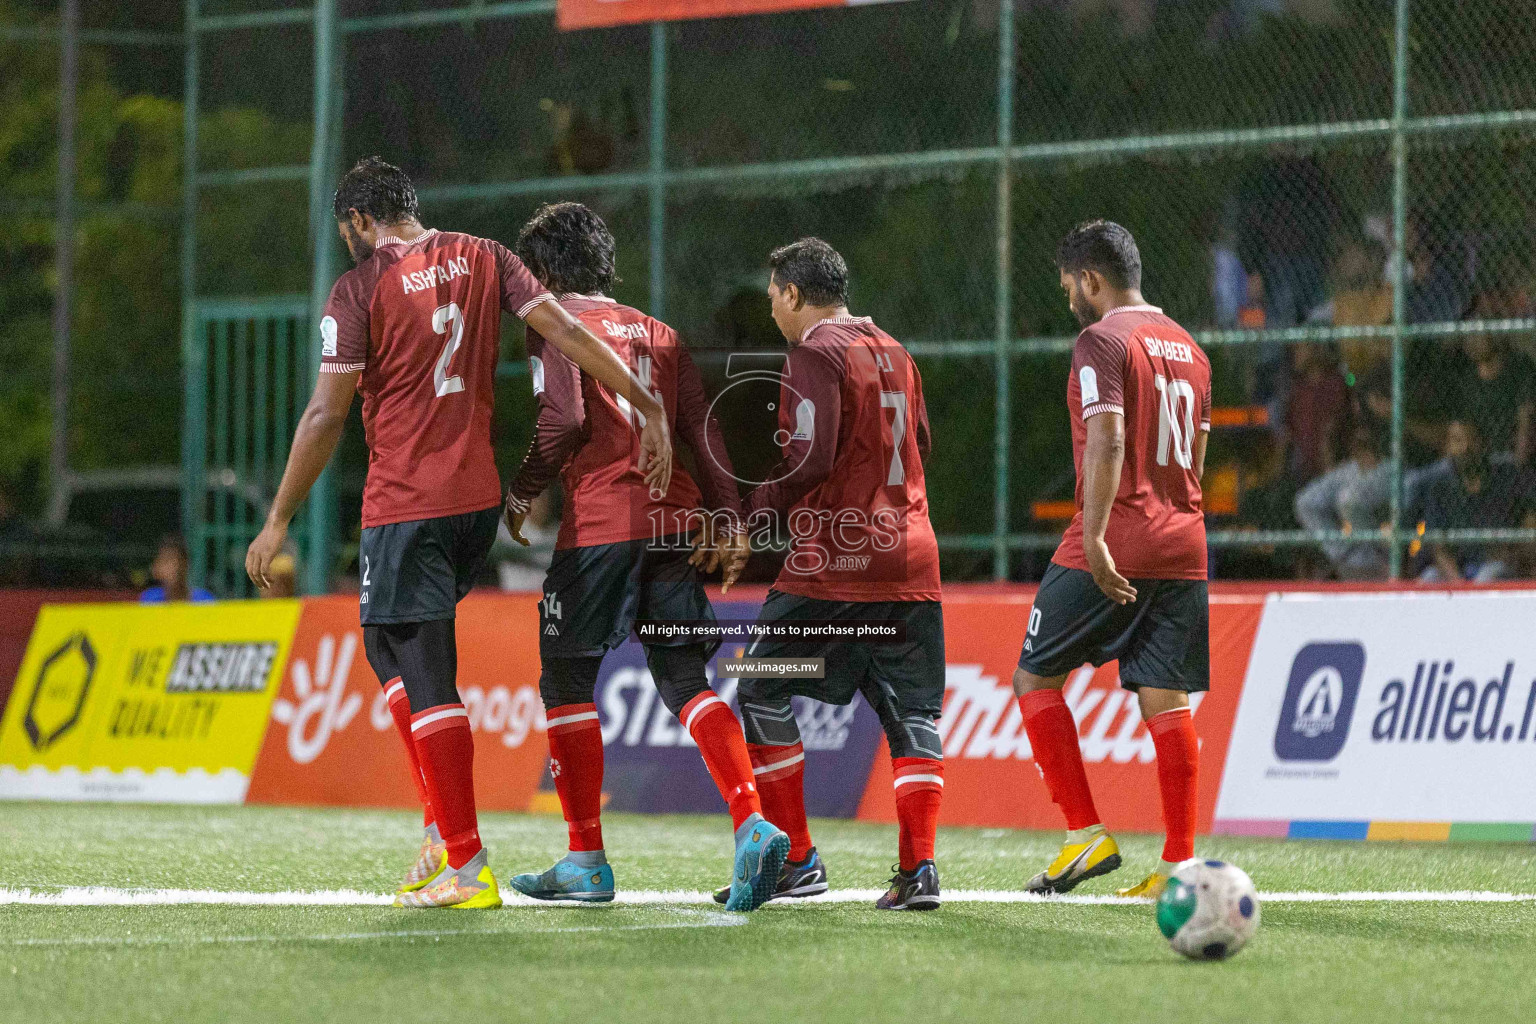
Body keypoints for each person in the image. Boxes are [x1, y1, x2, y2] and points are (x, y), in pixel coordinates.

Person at [244, 157, 673, 910]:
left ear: (358, 221)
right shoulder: (485, 255)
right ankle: (442, 832)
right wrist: (646, 399)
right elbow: (566, 328)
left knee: (421, 667)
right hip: (476, 502)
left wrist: (276, 517)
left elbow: (325, 414)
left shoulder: (359, 287)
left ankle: (463, 859)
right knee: (389, 651)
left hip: (410, 499)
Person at [498, 202, 788, 912]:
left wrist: (523, 489)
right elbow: (702, 430)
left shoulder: (554, 326)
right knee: (686, 679)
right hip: (674, 524)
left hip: (601, 526)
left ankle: (585, 859)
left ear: (541, 271)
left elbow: (562, 421)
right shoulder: (659, 333)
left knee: (565, 680)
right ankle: (751, 820)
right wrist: (729, 517)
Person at [721, 237, 946, 911]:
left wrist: (750, 517)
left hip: (834, 565)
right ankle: (919, 871)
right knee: (913, 715)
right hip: (911, 556)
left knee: (760, 689)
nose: (772, 311)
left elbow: (809, 458)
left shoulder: (814, 352)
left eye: (772, 297)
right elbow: (922, 444)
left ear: (793, 293)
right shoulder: (896, 350)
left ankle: (796, 859)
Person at [1014, 220, 1211, 900]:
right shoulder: (1190, 347)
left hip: (1117, 534)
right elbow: (1198, 462)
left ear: (1092, 280)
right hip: (1183, 537)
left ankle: (1084, 835)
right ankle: (1180, 863)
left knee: (1034, 680)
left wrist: (1095, 534)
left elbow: (1108, 436)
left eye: (1070, 284)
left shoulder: (1100, 340)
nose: (1070, 294)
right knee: (1167, 699)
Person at [1418, 420, 1534, 583]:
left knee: (1487, 576)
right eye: (1457, 441)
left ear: (1484, 444)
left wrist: (1512, 552)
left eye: (1471, 440)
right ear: (1448, 447)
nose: (1465, 448)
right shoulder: (1441, 488)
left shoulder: (1507, 479)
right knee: (1429, 578)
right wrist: (1460, 584)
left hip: (1498, 566)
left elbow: (1529, 525)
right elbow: (1438, 548)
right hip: (1459, 569)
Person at [1294, 423, 1391, 580]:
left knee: (1349, 499)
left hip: (1388, 462)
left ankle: (1375, 557)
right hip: (1357, 464)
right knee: (1305, 502)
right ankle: (1348, 558)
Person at [140, 534, 216, 603]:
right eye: (165, 561)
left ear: (185, 565)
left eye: (174, 562)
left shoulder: (204, 600)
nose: (171, 568)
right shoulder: (150, 599)